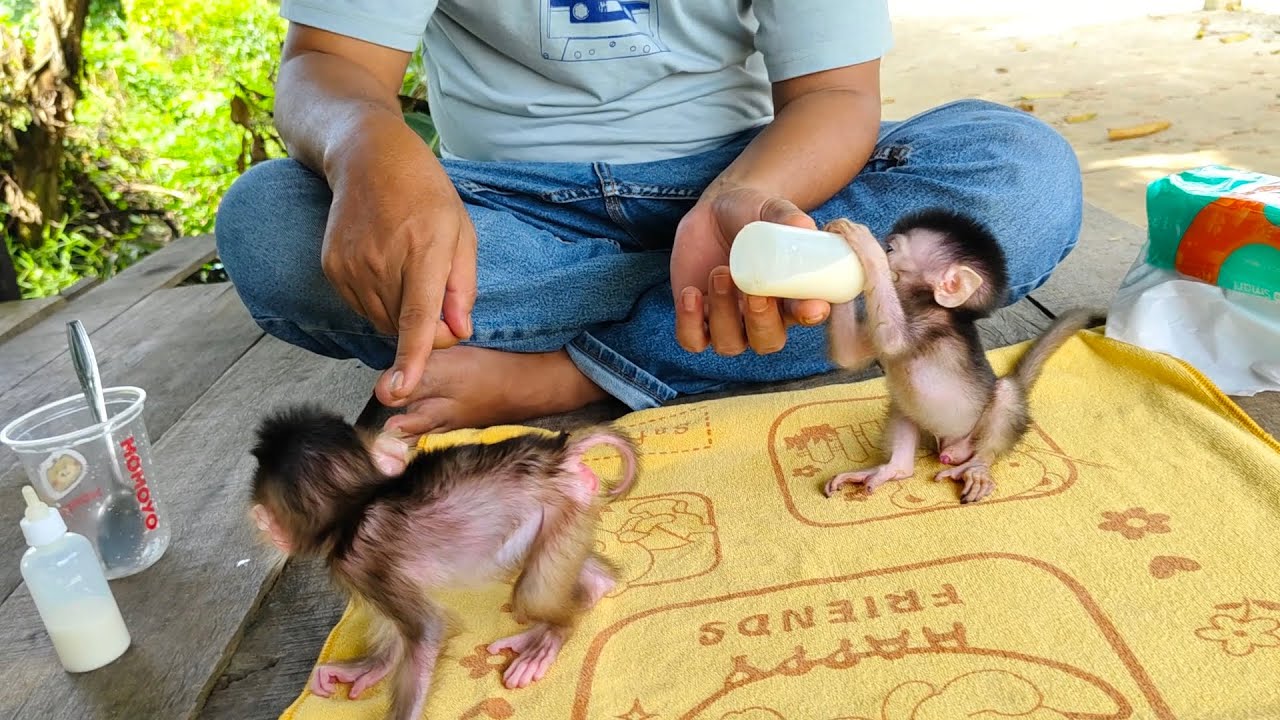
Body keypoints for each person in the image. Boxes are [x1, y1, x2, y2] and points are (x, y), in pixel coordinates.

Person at [214, 1, 1083, 435]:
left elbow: (836, 96)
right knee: (269, 227)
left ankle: (578, 371)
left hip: (758, 184)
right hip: (505, 209)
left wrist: (736, 198)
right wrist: (366, 145)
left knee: (1021, 172)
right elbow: (326, 64)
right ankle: (686, 329)